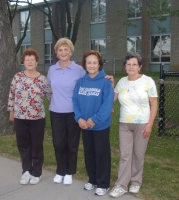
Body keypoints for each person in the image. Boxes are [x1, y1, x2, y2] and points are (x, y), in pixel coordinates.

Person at [47, 38, 114, 185]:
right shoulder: (52, 69)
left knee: (72, 143)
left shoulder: (79, 69)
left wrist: (110, 80)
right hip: (57, 111)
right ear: (56, 53)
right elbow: (48, 89)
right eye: (60, 50)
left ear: (71, 51)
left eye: (66, 49)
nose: (63, 52)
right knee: (58, 143)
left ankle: (70, 172)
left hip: (74, 113)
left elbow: (95, 73)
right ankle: (60, 170)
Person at [110, 52, 158, 198]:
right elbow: (112, 99)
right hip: (124, 123)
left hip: (142, 123)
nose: (131, 67)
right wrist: (111, 84)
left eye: (134, 64)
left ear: (140, 66)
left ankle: (136, 182)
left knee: (138, 154)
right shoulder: (122, 82)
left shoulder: (148, 81)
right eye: (128, 64)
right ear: (125, 66)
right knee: (125, 155)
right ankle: (121, 185)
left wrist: (150, 124)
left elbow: (154, 104)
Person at [7, 48, 52, 185]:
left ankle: (36, 172)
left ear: (37, 62)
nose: (30, 62)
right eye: (27, 60)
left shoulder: (42, 79)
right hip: (20, 117)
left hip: (37, 118)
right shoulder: (17, 77)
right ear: (24, 62)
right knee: (23, 145)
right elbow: (12, 95)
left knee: (36, 145)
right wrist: (11, 112)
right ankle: (26, 171)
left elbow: (51, 96)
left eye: (32, 59)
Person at [72, 50, 114, 196]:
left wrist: (94, 120)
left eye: (94, 62)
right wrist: (79, 119)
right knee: (89, 152)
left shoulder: (105, 82)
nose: (91, 65)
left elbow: (107, 105)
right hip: (85, 125)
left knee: (101, 154)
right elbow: (75, 101)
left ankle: (103, 183)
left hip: (100, 125)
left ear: (99, 64)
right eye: (88, 62)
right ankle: (93, 179)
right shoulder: (81, 82)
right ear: (85, 64)